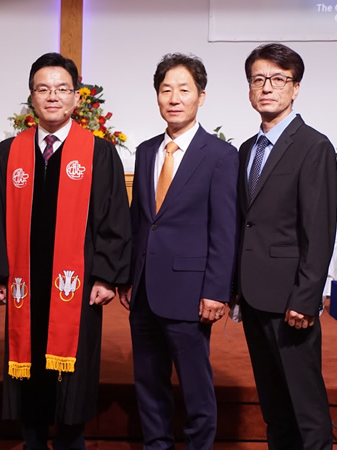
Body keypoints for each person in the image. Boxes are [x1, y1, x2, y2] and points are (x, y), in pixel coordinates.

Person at [0, 52, 131, 450]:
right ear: (32, 97)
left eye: (62, 89)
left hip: (76, 286)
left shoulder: (98, 152)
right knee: (28, 367)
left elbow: (114, 217)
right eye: (43, 89)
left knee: (72, 373)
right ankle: (32, 441)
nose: (52, 96)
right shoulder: (9, 153)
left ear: (76, 97)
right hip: (24, 285)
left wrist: (105, 276)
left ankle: (71, 442)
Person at [118, 53, 238, 449]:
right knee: (148, 382)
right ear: (157, 96)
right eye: (166, 90)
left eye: (184, 90)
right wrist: (129, 277)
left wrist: (217, 291)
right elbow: (140, 220)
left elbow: (224, 229)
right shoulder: (146, 151)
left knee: (195, 385)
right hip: (144, 290)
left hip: (190, 291)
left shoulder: (220, 155)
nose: (174, 98)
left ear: (200, 96)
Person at [236, 43, 337, 448]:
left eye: (278, 79)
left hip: (291, 300)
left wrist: (306, 297)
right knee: (274, 406)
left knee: (305, 407)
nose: (267, 88)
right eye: (258, 79)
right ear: (249, 89)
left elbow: (319, 229)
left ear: (295, 88)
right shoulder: (247, 149)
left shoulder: (314, 146)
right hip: (253, 295)